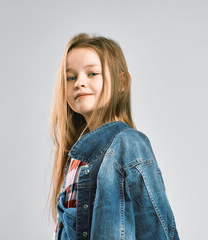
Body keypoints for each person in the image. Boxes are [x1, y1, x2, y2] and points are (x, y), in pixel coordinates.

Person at [48, 33, 179, 240]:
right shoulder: (75, 158)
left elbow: (155, 227)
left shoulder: (129, 144)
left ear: (121, 83)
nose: (79, 83)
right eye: (71, 77)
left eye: (92, 74)